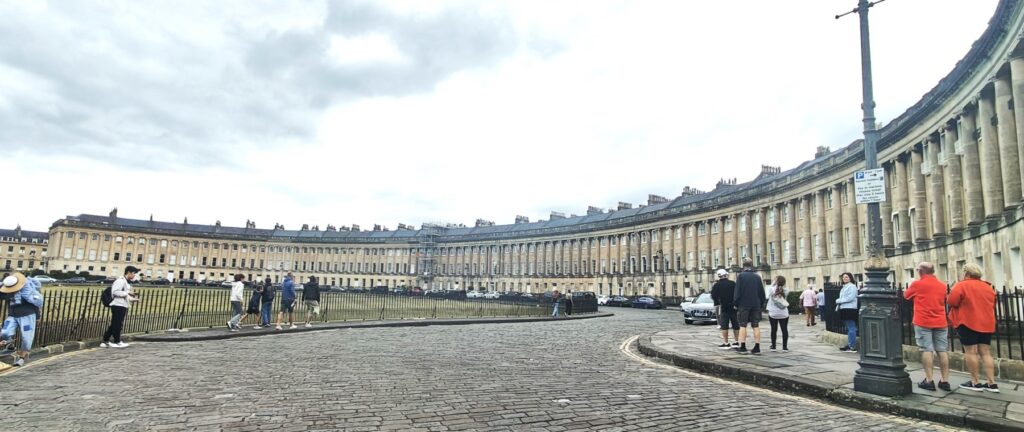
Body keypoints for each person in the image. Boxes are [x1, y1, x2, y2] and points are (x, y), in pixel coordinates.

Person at [948, 263, 998, 393]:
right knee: (986, 353)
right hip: (986, 323)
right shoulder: (988, 287)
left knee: (971, 352)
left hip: (968, 321)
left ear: (966, 273)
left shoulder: (961, 285)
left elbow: (951, 301)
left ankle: (975, 382)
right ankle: (992, 383)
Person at [903, 262, 951, 391]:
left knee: (927, 350)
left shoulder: (918, 284)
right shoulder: (942, 285)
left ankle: (929, 380)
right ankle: (945, 381)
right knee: (942, 350)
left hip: (923, 321)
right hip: (940, 321)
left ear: (920, 271)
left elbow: (906, 296)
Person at [0, 273, 44, 367]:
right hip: (12, 315)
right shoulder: (7, 291)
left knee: (26, 339)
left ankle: (21, 359)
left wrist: (38, 317)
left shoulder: (27, 291)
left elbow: (36, 304)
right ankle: (10, 345)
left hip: (27, 316)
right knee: (5, 332)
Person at [733, 258, 766, 354]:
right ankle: (757, 347)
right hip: (755, 304)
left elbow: (737, 292)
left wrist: (735, 303)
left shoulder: (741, 276)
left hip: (744, 304)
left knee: (742, 325)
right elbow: (761, 293)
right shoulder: (757, 277)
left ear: (743, 265)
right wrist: (761, 304)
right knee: (756, 325)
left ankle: (743, 346)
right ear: (751, 265)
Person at [102, 266, 141, 348]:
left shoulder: (126, 282)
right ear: (129, 272)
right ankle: (117, 341)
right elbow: (115, 292)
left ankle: (105, 340)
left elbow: (125, 295)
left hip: (122, 305)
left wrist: (134, 299)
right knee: (118, 324)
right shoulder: (120, 281)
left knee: (114, 324)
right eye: (134, 273)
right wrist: (128, 292)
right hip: (117, 305)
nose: (134, 276)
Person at [710, 269, 739, 349]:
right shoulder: (732, 283)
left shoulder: (717, 285)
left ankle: (726, 343)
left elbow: (713, 296)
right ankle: (736, 342)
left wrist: (717, 302)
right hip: (733, 307)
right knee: (735, 324)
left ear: (719, 276)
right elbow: (737, 294)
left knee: (724, 325)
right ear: (726, 275)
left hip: (724, 307)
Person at [835, 272, 859, 352]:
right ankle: (849, 344)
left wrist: (838, 300)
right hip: (844, 308)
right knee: (849, 328)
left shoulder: (852, 287)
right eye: (843, 277)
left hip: (850, 309)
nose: (844, 278)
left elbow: (850, 298)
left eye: (847, 277)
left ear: (850, 278)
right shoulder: (844, 287)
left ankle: (852, 346)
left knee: (851, 328)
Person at [766, 276, 790, 351]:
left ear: (776, 282)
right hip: (784, 313)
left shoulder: (770, 289)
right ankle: (784, 347)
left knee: (774, 329)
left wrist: (773, 284)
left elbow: (767, 296)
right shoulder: (786, 290)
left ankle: (773, 346)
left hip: (773, 313)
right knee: (784, 329)